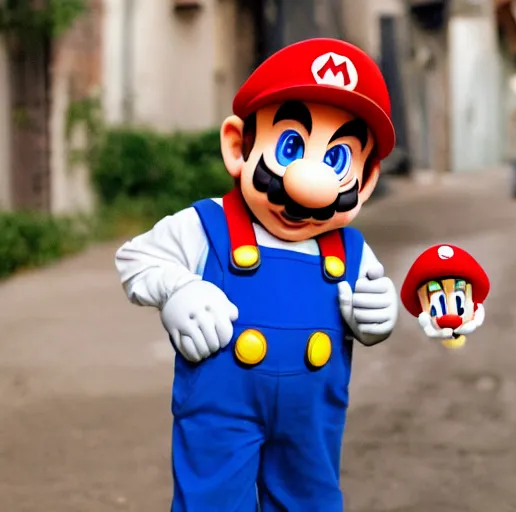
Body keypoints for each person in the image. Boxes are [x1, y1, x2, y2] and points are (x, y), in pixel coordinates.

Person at [114, 38, 399, 511]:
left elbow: (370, 309)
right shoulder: (204, 226)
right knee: (212, 499)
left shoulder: (352, 250)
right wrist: (177, 288)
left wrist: (379, 315)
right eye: (290, 145)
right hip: (220, 414)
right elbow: (135, 259)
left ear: (364, 181)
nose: (311, 185)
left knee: (311, 500)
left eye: (338, 160)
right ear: (237, 147)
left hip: (311, 421)